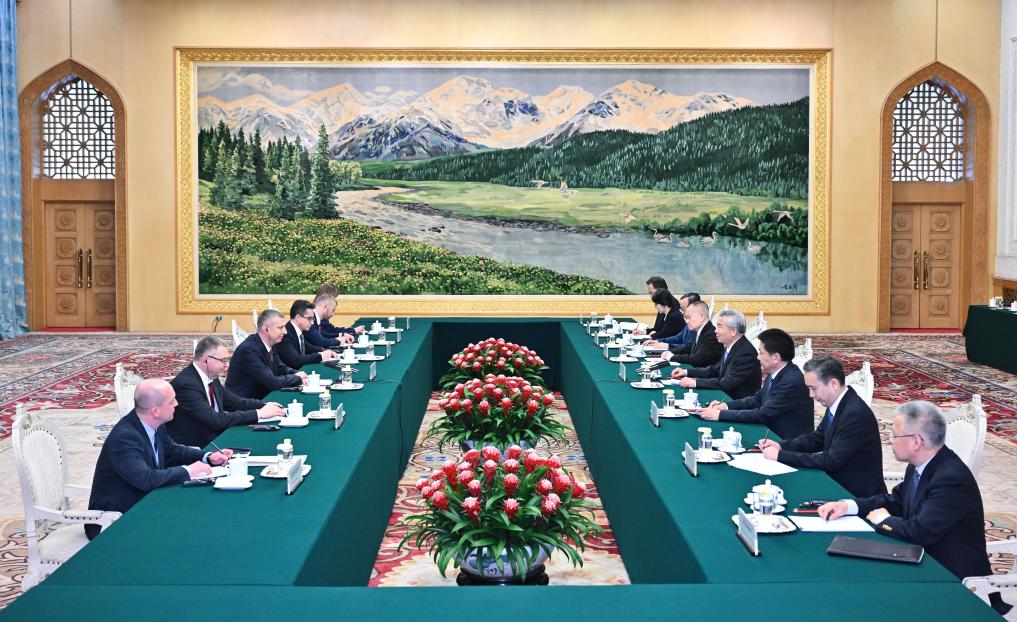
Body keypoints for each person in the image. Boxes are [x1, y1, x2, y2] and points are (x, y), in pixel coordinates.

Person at [818, 401, 1010, 615]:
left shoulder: (951, 479)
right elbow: (895, 501)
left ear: (916, 441)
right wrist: (849, 506)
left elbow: (920, 531)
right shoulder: (921, 465)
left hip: (955, 581)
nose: (890, 440)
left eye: (894, 435)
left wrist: (885, 521)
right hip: (924, 560)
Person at [86, 379, 231, 539]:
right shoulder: (125, 438)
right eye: (171, 401)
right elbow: (146, 479)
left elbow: (173, 451)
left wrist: (207, 457)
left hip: (146, 503)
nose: (176, 404)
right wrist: (189, 471)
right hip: (116, 519)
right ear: (155, 411)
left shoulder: (154, 423)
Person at [758, 355, 885, 497]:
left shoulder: (855, 414)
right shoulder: (839, 402)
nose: (810, 395)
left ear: (833, 384)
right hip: (837, 482)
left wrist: (781, 456)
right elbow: (818, 438)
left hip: (856, 495)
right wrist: (782, 446)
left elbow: (831, 461)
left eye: (813, 388)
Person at [166, 336, 285, 448]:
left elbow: (234, 402)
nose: (227, 365)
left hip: (214, 437)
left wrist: (264, 405)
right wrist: (259, 413)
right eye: (223, 361)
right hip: (196, 447)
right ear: (205, 360)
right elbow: (215, 420)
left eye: (228, 360)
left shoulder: (211, 376)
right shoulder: (186, 385)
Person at [698, 328, 814, 439]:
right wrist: (725, 406)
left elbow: (762, 414)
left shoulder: (791, 381)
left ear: (776, 357)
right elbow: (756, 400)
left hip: (786, 442)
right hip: (770, 432)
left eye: (761, 353)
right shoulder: (777, 372)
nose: (758, 357)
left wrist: (719, 414)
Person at [670, 309, 761, 399]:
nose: (715, 331)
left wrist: (695, 382)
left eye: (719, 326)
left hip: (735, 402)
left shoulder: (746, 353)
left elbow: (728, 383)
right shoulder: (732, 346)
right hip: (725, 396)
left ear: (733, 331)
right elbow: (715, 370)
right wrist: (686, 372)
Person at [226, 309, 307, 400]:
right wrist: (297, 378)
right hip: (245, 404)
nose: (285, 331)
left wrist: (296, 373)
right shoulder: (248, 350)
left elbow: (280, 368)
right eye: (280, 328)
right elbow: (272, 382)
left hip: (263, 398)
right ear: (266, 329)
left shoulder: (269, 343)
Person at [276, 299, 340, 369]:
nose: (312, 322)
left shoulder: (298, 331)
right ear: (298, 317)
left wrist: (325, 351)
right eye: (310, 319)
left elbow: (308, 347)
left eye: (313, 319)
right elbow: (296, 361)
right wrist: (321, 356)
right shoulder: (285, 334)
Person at [658, 300, 723, 367]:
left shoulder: (712, 335)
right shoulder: (700, 331)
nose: (687, 322)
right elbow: (687, 348)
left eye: (689, 318)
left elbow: (696, 359)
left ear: (701, 317)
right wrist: (671, 352)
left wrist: (672, 357)